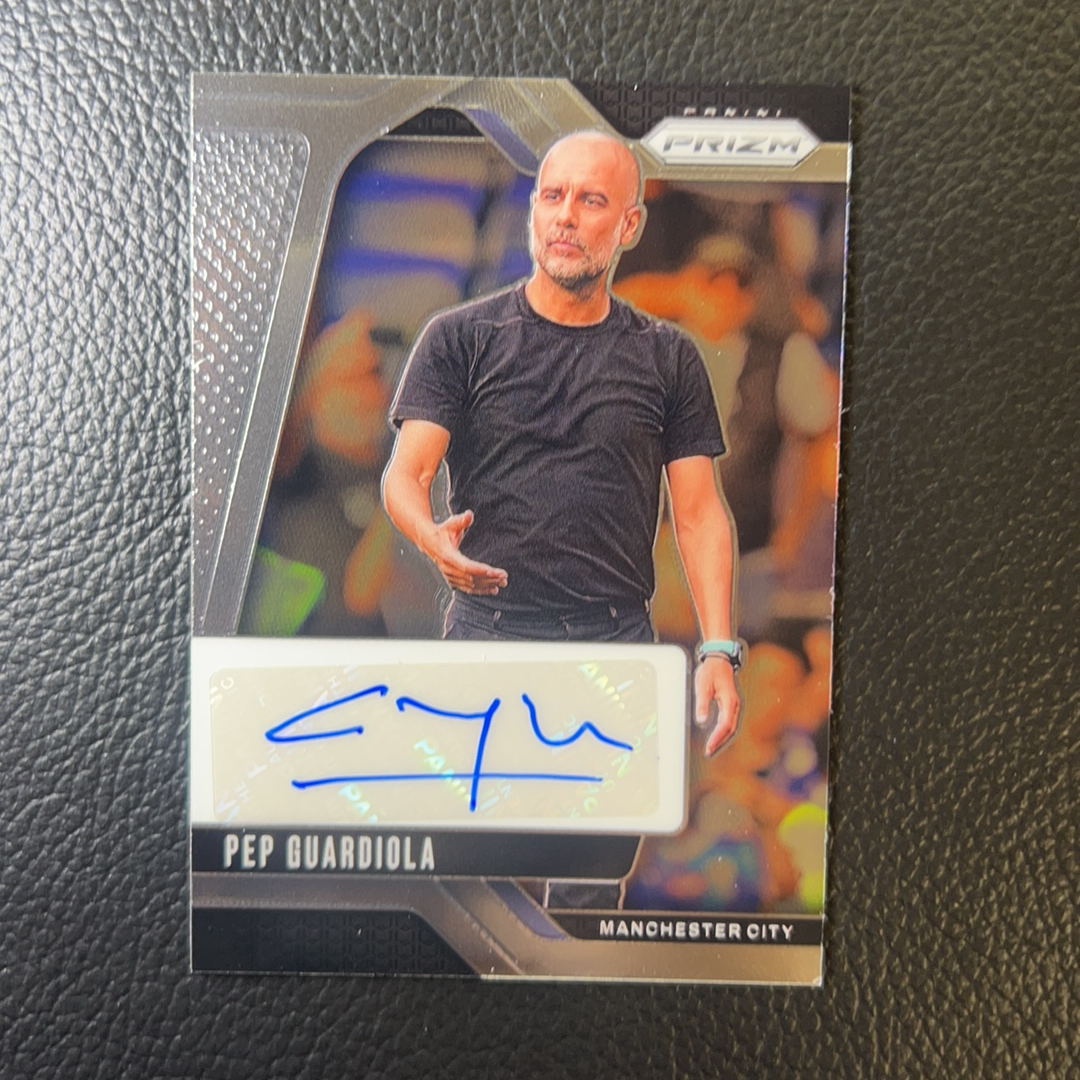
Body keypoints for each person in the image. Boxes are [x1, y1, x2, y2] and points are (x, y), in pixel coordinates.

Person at [382, 131, 741, 756]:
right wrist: (428, 535)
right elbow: (405, 475)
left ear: (629, 225)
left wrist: (717, 647)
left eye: (591, 200)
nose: (566, 216)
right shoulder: (460, 338)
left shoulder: (668, 357)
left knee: (606, 823)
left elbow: (699, 513)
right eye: (553, 196)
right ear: (533, 213)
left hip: (615, 645)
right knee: (477, 817)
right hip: (488, 634)